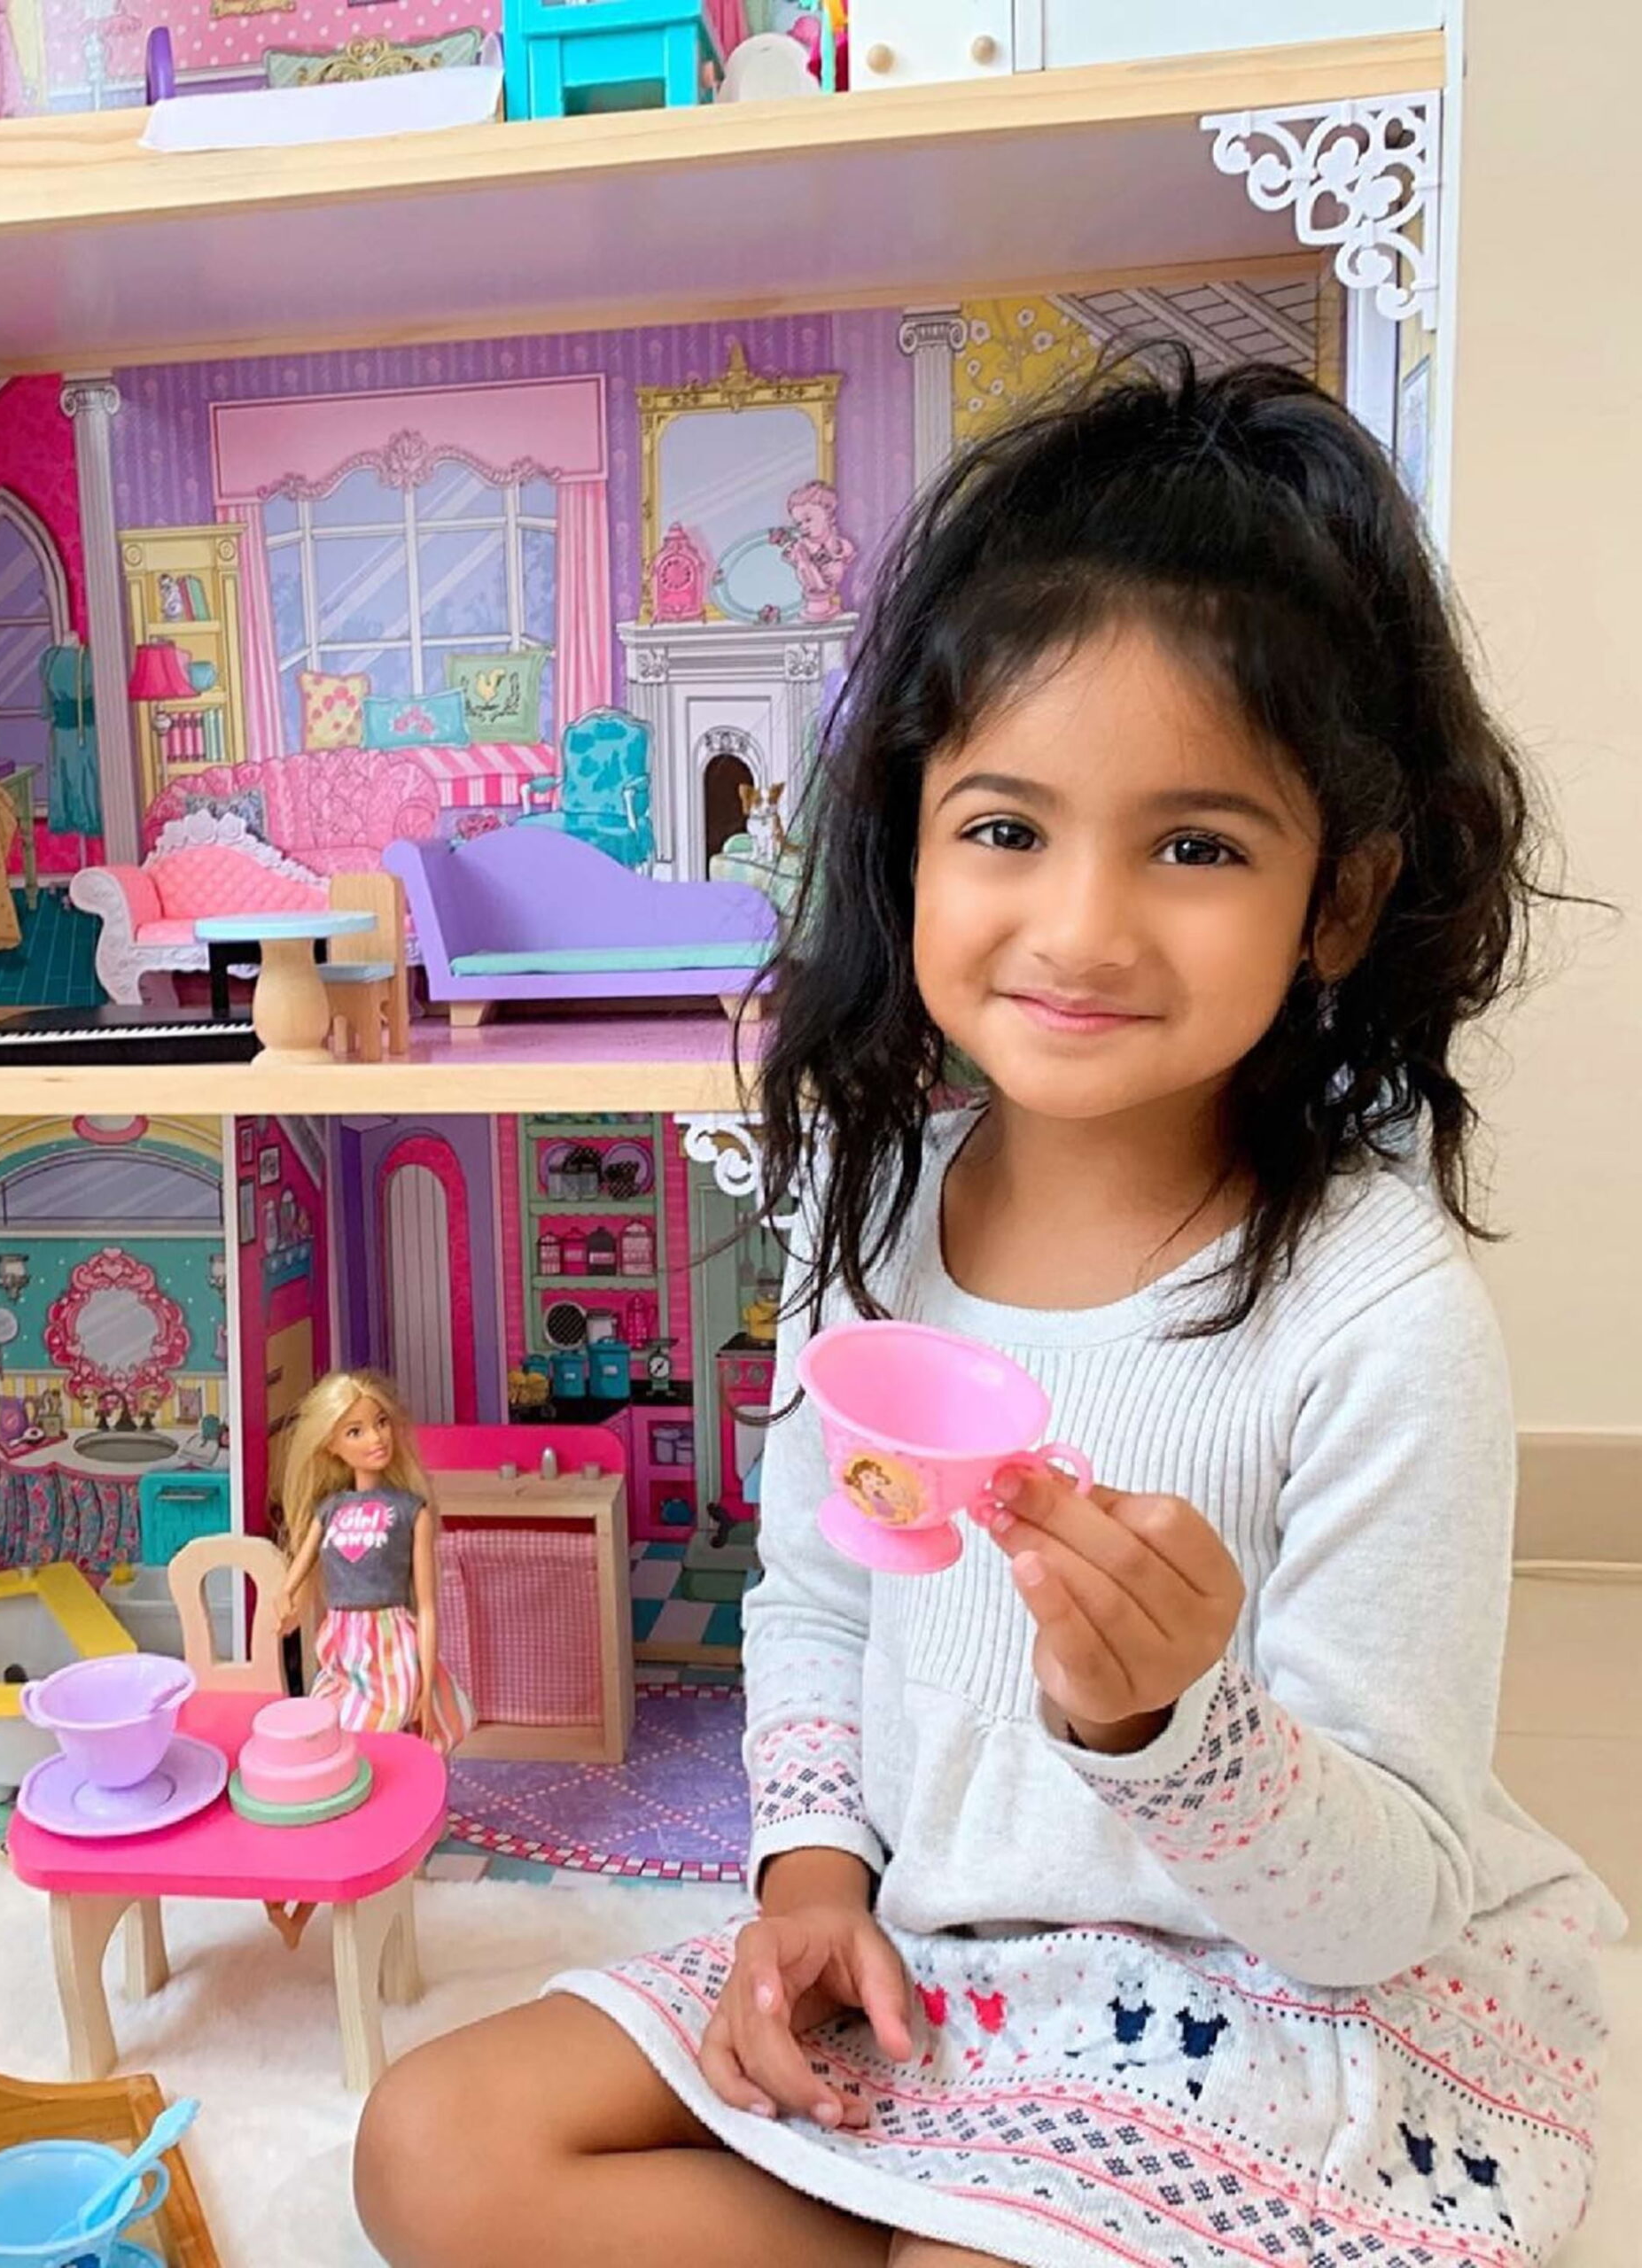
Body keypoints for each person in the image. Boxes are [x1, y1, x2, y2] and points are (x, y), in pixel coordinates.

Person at [354, 356, 1623, 2268]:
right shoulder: (869, 1216)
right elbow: (815, 1599)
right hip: (942, 1955)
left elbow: (1380, 1908)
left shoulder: (1378, 1316)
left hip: (1244, 2000)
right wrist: (806, 1884)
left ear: (1339, 901)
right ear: (909, 832)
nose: (1082, 926)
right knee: (431, 2144)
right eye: (1009, 827)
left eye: (1195, 846)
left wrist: (1168, 1721)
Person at [278, 1371, 473, 1753]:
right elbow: (296, 1573)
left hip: (390, 1643)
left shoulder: (410, 1511)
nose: (377, 1438)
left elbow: (427, 1607)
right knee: (336, 1729)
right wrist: (284, 1597)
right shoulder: (329, 1509)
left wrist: (426, 1684)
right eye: (356, 1432)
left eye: (381, 1423)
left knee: (376, 1733)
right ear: (331, 1446)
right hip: (341, 1646)